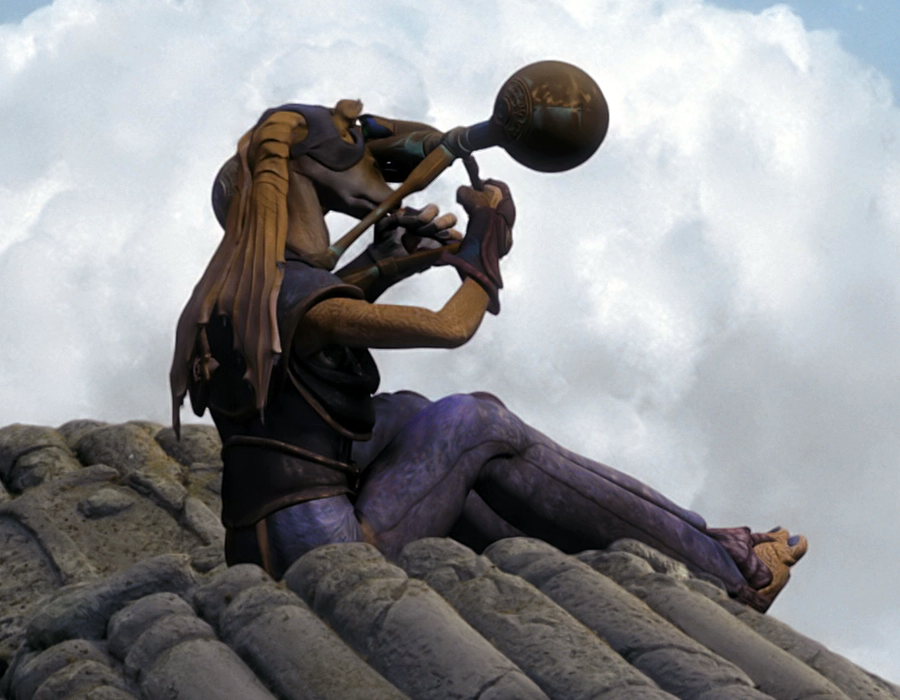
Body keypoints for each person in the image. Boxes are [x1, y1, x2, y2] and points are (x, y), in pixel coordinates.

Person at [170, 99, 806, 612]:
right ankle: (731, 573)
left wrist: (383, 263)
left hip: (260, 544)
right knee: (476, 421)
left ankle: (682, 541)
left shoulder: (238, 294)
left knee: (407, 414)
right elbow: (448, 328)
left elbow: (308, 331)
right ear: (304, 175)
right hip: (326, 553)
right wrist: (485, 244)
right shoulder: (295, 297)